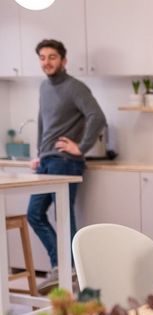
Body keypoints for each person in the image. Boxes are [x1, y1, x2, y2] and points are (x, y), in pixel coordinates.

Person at [29, 39, 106, 289]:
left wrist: (80, 147)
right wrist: (39, 153)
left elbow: (97, 116)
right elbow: (43, 123)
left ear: (64, 60)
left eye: (52, 57)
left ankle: (67, 268)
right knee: (34, 214)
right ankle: (63, 266)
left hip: (65, 162)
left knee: (62, 215)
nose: (47, 62)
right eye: (42, 57)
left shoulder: (75, 87)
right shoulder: (44, 87)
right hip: (47, 160)